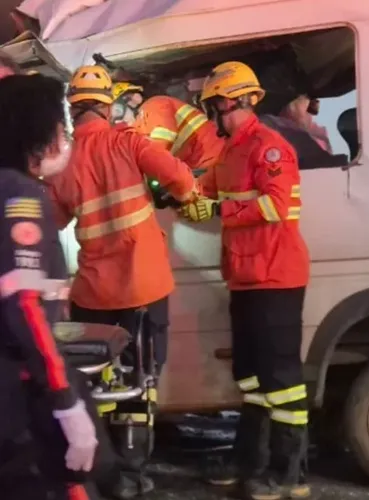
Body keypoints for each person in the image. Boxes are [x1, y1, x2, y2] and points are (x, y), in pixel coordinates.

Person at [43, 64, 200, 498]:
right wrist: (187, 198)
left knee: (97, 380)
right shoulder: (129, 142)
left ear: (73, 112)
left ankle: (102, 465)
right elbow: (182, 179)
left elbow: (52, 221)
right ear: (109, 106)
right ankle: (133, 465)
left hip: (95, 292)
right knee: (142, 374)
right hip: (144, 286)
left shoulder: (63, 166)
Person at [178, 60, 311, 500]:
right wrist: (181, 194)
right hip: (245, 278)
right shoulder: (232, 151)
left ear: (230, 101)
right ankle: (249, 463)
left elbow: (278, 208)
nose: (215, 113)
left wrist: (216, 211)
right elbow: (205, 190)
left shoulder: (269, 148)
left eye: (215, 105)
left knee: (282, 380)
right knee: (252, 378)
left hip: (275, 277)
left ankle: (290, 474)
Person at [0, 72, 101, 500]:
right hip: (22, 393)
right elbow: (24, 303)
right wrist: (65, 400)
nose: (65, 137)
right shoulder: (21, 195)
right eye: (61, 126)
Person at [110, 80, 225, 177]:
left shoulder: (154, 105)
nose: (116, 119)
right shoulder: (139, 125)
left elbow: (161, 141)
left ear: (133, 99)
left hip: (212, 158)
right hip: (199, 164)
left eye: (117, 110)